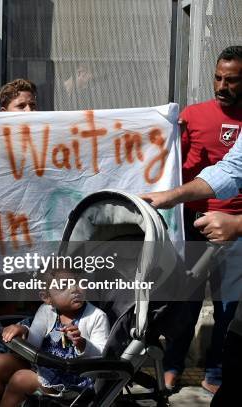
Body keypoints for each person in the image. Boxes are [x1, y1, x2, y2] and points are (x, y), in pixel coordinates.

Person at [141, 47, 242, 406]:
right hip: (195, 223)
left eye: (232, 80)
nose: (222, 86)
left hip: (237, 231)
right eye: (218, 77)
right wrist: (171, 196)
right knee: (185, 302)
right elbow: (214, 170)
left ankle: (217, 373)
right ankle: (172, 364)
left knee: (231, 307)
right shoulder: (193, 116)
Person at [0, 269, 110, 407]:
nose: (74, 289)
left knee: (21, 379)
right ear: (47, 298)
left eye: (78, 282)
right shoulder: (46, 311)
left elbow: (102, 355)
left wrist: (82, 344)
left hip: (73, 380)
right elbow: (33, 343)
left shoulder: (96, 317)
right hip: (44, 366)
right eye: (63, 286)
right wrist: (24, 330)